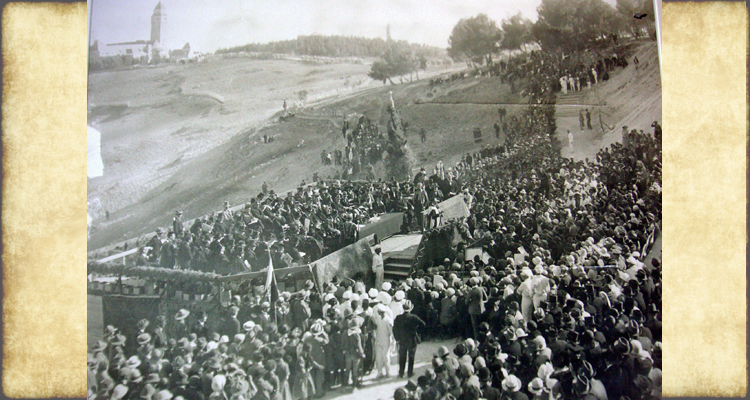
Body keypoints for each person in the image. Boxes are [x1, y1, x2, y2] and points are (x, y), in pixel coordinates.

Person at [392, 300, 425, 378]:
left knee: (402, 356)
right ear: (411, 308)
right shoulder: (414, 317)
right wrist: (416, 329)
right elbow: (423, 324)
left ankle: (401, 372)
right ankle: (410, 373)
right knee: (411, 356)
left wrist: (397, 338)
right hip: (412, 339)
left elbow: (394, 329)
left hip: (402, 339)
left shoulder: (398, 317)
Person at [372, 304, 393, 378]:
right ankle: (379, 372)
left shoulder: (388, 320)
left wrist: (391, 342)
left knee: (386, 357)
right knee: (378, 357)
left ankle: (388, 372)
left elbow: (391, 332)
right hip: (378, 340)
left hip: (385, 340)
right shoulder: (378, 318)